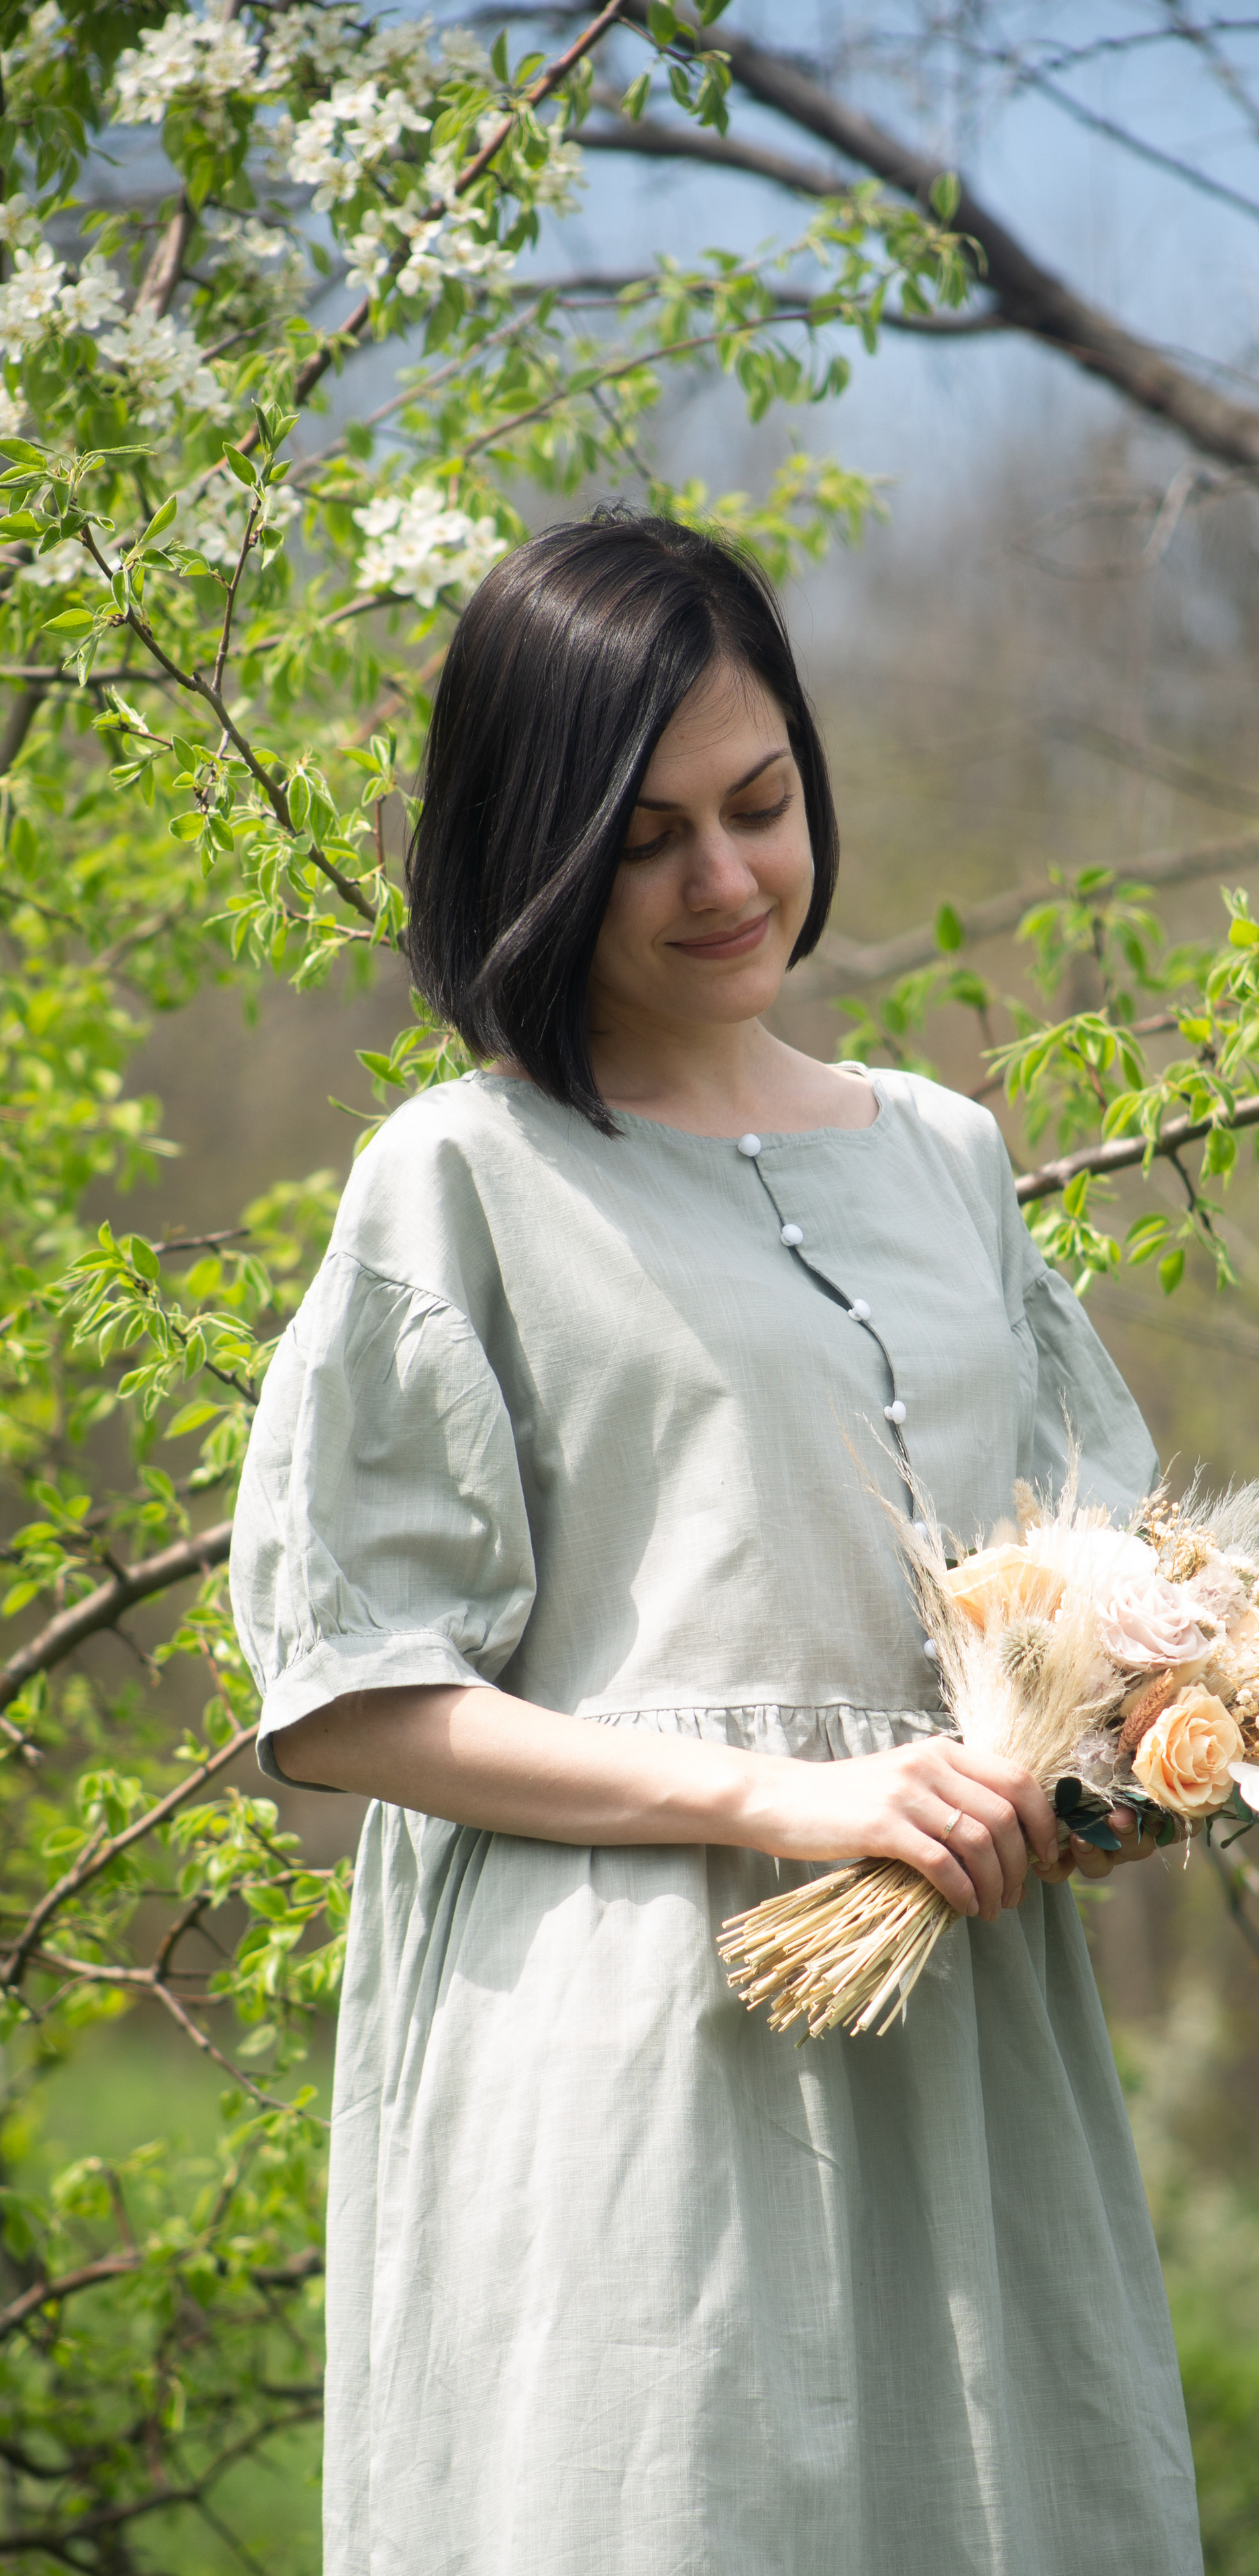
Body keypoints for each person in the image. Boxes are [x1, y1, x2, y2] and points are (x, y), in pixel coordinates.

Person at [231, 513, 1203, 2576]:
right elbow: (356, 1698)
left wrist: (1129, 1758)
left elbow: (1087, 1573)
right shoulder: (462, 1183)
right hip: (632, 2055)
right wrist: (783, 1793)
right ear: (537, 844)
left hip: (954, 2036)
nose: (727, 878)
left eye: (759, 805)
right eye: (646, 833)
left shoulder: (945, 1160)